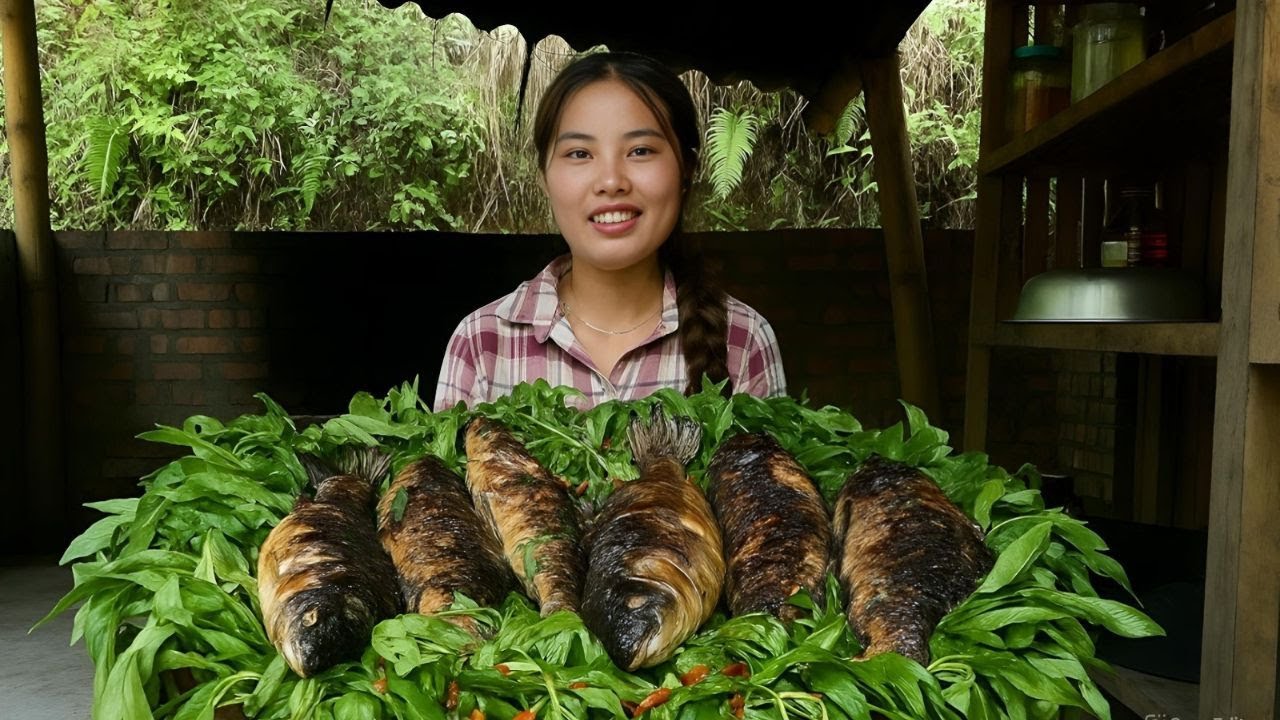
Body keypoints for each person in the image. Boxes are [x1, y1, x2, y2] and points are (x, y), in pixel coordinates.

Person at [434, 51, 786, 411]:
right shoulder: (482, 342)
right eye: (580, 154)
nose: (610, 181)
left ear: (687, 169)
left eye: (640, 150)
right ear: (544, 178)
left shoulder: (743, 340)